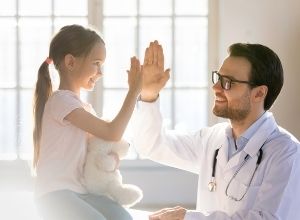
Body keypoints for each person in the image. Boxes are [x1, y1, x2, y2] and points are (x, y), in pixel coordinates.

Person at [132, 41, 300, 219]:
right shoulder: (213, 139)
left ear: (259, 93)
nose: (216, 87)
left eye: (228, 82)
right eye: (218, 78)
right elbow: (152, 145)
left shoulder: (287, 153)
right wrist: (149, 95)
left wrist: (187, 218)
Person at [32, 24, 142, 220]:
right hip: (55, 193)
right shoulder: (61, 101)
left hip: (81, 191)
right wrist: (134, 91)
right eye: (96, 63)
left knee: (124, 218)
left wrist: (111, 159)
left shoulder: (83, 108)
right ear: (70, 62)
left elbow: (101, 145)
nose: (100, 72)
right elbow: (111, 132)